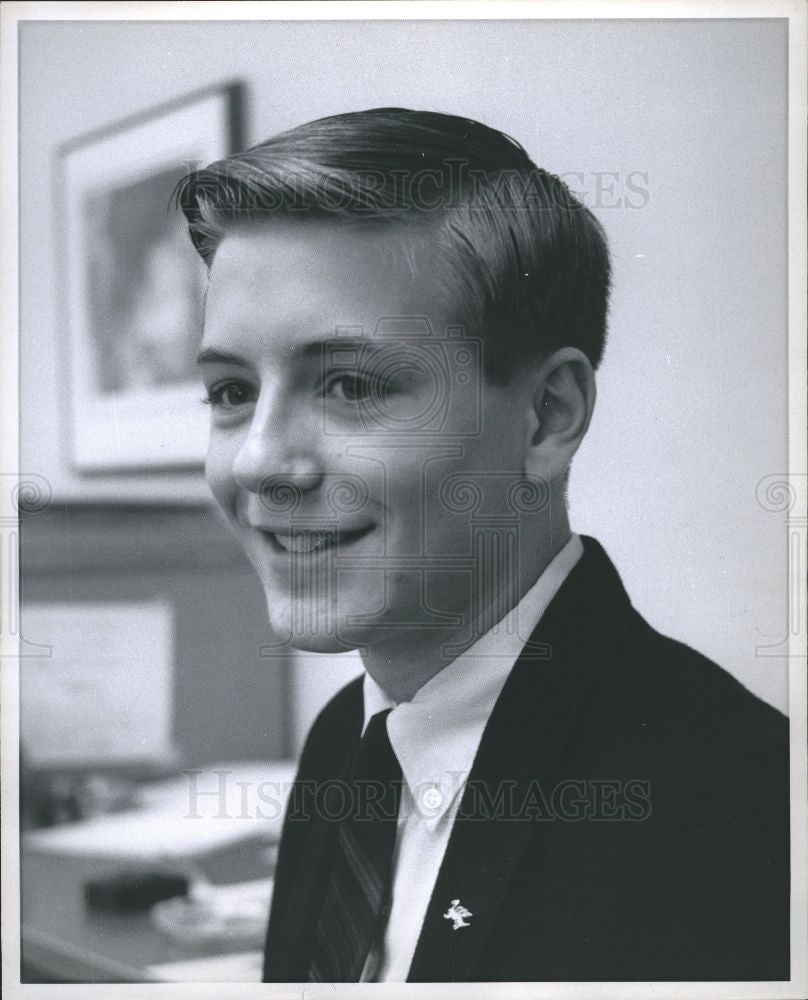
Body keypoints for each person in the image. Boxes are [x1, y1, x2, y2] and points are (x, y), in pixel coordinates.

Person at [175, 109, 789, 982]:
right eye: (231, 392)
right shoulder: (345, 741)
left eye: (350, 385)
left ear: (547, 416)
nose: (259, 461)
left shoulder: (738, 812)